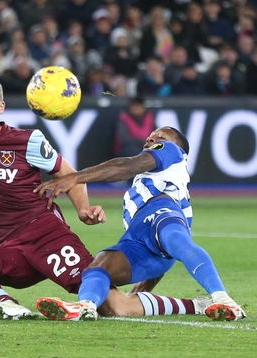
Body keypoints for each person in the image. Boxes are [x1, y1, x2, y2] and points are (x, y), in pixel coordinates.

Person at [0, 75, 208, 321]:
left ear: (0, 107)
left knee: (114, 307)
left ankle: (198, 304)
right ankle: (5, 306)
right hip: (8, 248)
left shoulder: (27, 142)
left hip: (47, 237)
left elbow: (68, 173)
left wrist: (82, 209)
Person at [34, 126, 246, 322]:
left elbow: (128, 166)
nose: (152, 138)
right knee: (99, 266)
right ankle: (85, 307)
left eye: (160, 136)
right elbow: (157, 249)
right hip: (141, 238)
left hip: (162, 214)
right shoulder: (140, 189)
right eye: (152, 135)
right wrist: (139, 294)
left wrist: (76, 177)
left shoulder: (171, 151)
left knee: (175, 238)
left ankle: (224, 299)